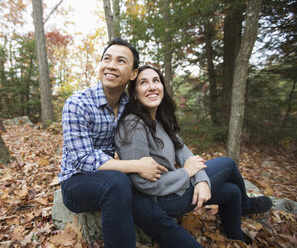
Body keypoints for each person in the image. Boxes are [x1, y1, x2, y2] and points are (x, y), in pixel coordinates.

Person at [59, 38, 202, 248]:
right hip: (75, 182)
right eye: (106, 59)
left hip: (111, 176)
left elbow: (162, 130)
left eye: (120, 61)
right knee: (117, 183)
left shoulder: (129, 105)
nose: (111, 65)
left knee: (143, 203)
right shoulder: (78, 103)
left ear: (133, 73)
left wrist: (198, 175)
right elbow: (82, 159)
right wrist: (136, 166)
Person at [114, 65, 273, 245]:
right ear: (134, 94)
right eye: (143, 83)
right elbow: (142, 184)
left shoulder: (159, 118)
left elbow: (183, 151)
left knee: (232, 191)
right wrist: (186, 173)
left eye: (156, 81)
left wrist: (201, 179)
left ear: (162, 88)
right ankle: (247, 206)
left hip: (175, 188)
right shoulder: (133, 124)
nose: (152, 86)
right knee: (228, 163)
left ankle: (236, 238)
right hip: (163, 199)